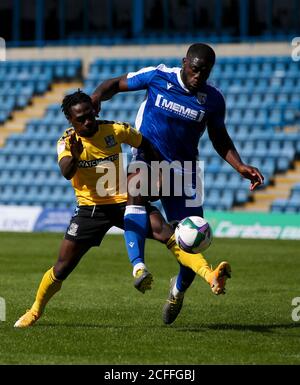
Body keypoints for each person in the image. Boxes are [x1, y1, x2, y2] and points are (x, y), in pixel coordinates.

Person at [14, 90, 223, 328]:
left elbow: (146, 144)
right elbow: (67, 171)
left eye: (90, 115)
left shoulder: (115, 130)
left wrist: (159, 174)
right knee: (62, 267)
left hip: (125, 201)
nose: (87, 122)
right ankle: (34, 311)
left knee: (169, 234)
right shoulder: (66, 141)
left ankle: (210, 275)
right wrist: (73, 153)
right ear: (71, 121)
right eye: (80, 119)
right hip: (91, 209)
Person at [91, 43, 264, 324]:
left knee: (193, 241)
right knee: (134, 192)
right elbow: (115, 83)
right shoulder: (159, 76)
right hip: (147, 156)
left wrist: (240, 165)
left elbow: (219, 137)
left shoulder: (213, 99)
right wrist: (96, 97)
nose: (198, 76)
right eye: (195, 69)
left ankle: (178, 290)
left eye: (205, 72)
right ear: (184, 63)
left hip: (184, 171)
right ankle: (139, 268)